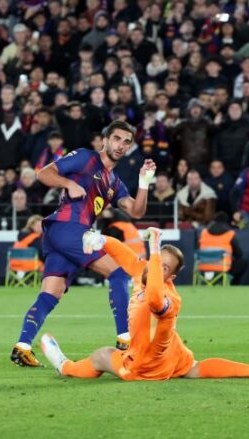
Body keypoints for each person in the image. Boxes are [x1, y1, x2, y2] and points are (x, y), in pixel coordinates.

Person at [40, 228, 249, 381]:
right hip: (171, 355)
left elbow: (153, 297)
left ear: (170, 277)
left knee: (101, 356)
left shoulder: (169, 298)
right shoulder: (143, 270)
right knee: (196, 367)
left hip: (145, 366)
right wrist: (100, 239)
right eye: (157, 260)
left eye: (164, 267)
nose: (156, 266)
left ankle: (64, 366)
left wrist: (155, 252)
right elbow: (124, 253)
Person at [10, 120, 156, 367]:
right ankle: (125, 339)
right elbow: (43, 173)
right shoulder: (86, 157)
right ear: (105, 140)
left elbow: (136, 211)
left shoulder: (114, 182)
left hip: (62, 235)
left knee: (51, 293)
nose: (120, 145)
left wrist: (144, 182)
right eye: (116, 139)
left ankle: (22, 347)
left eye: (126, 142)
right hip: (68, 228)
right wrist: (69, 184)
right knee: (119, 274)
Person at [199, 212, 249, 285]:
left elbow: (199, 249)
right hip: (222, 268)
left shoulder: (203, 233)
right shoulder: (229, 234)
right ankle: (234, 286)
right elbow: (239, 254)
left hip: (203, 267)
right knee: (243, 262)